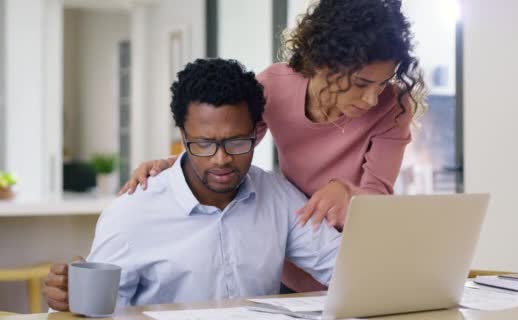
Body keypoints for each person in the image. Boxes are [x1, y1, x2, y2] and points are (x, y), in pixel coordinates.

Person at [120, 0, 425, 292]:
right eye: (360, 83)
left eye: (382, 83)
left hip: (357, 260)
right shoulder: (276, 87)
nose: (372, 98)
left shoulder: (393, 107)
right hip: (294, 256)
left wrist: (348, 192)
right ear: (325, 62)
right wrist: (172, 164)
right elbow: (231, 148)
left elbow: (379, 195)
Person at [42, 58, 341, 311]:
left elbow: (344, 267)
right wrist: (71, 299)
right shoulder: (133, 212)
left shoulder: (277, 197)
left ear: (255, 132)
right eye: (205, 144)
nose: (221, 159)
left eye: (237, 142)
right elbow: (100, 310)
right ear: (184, 137)